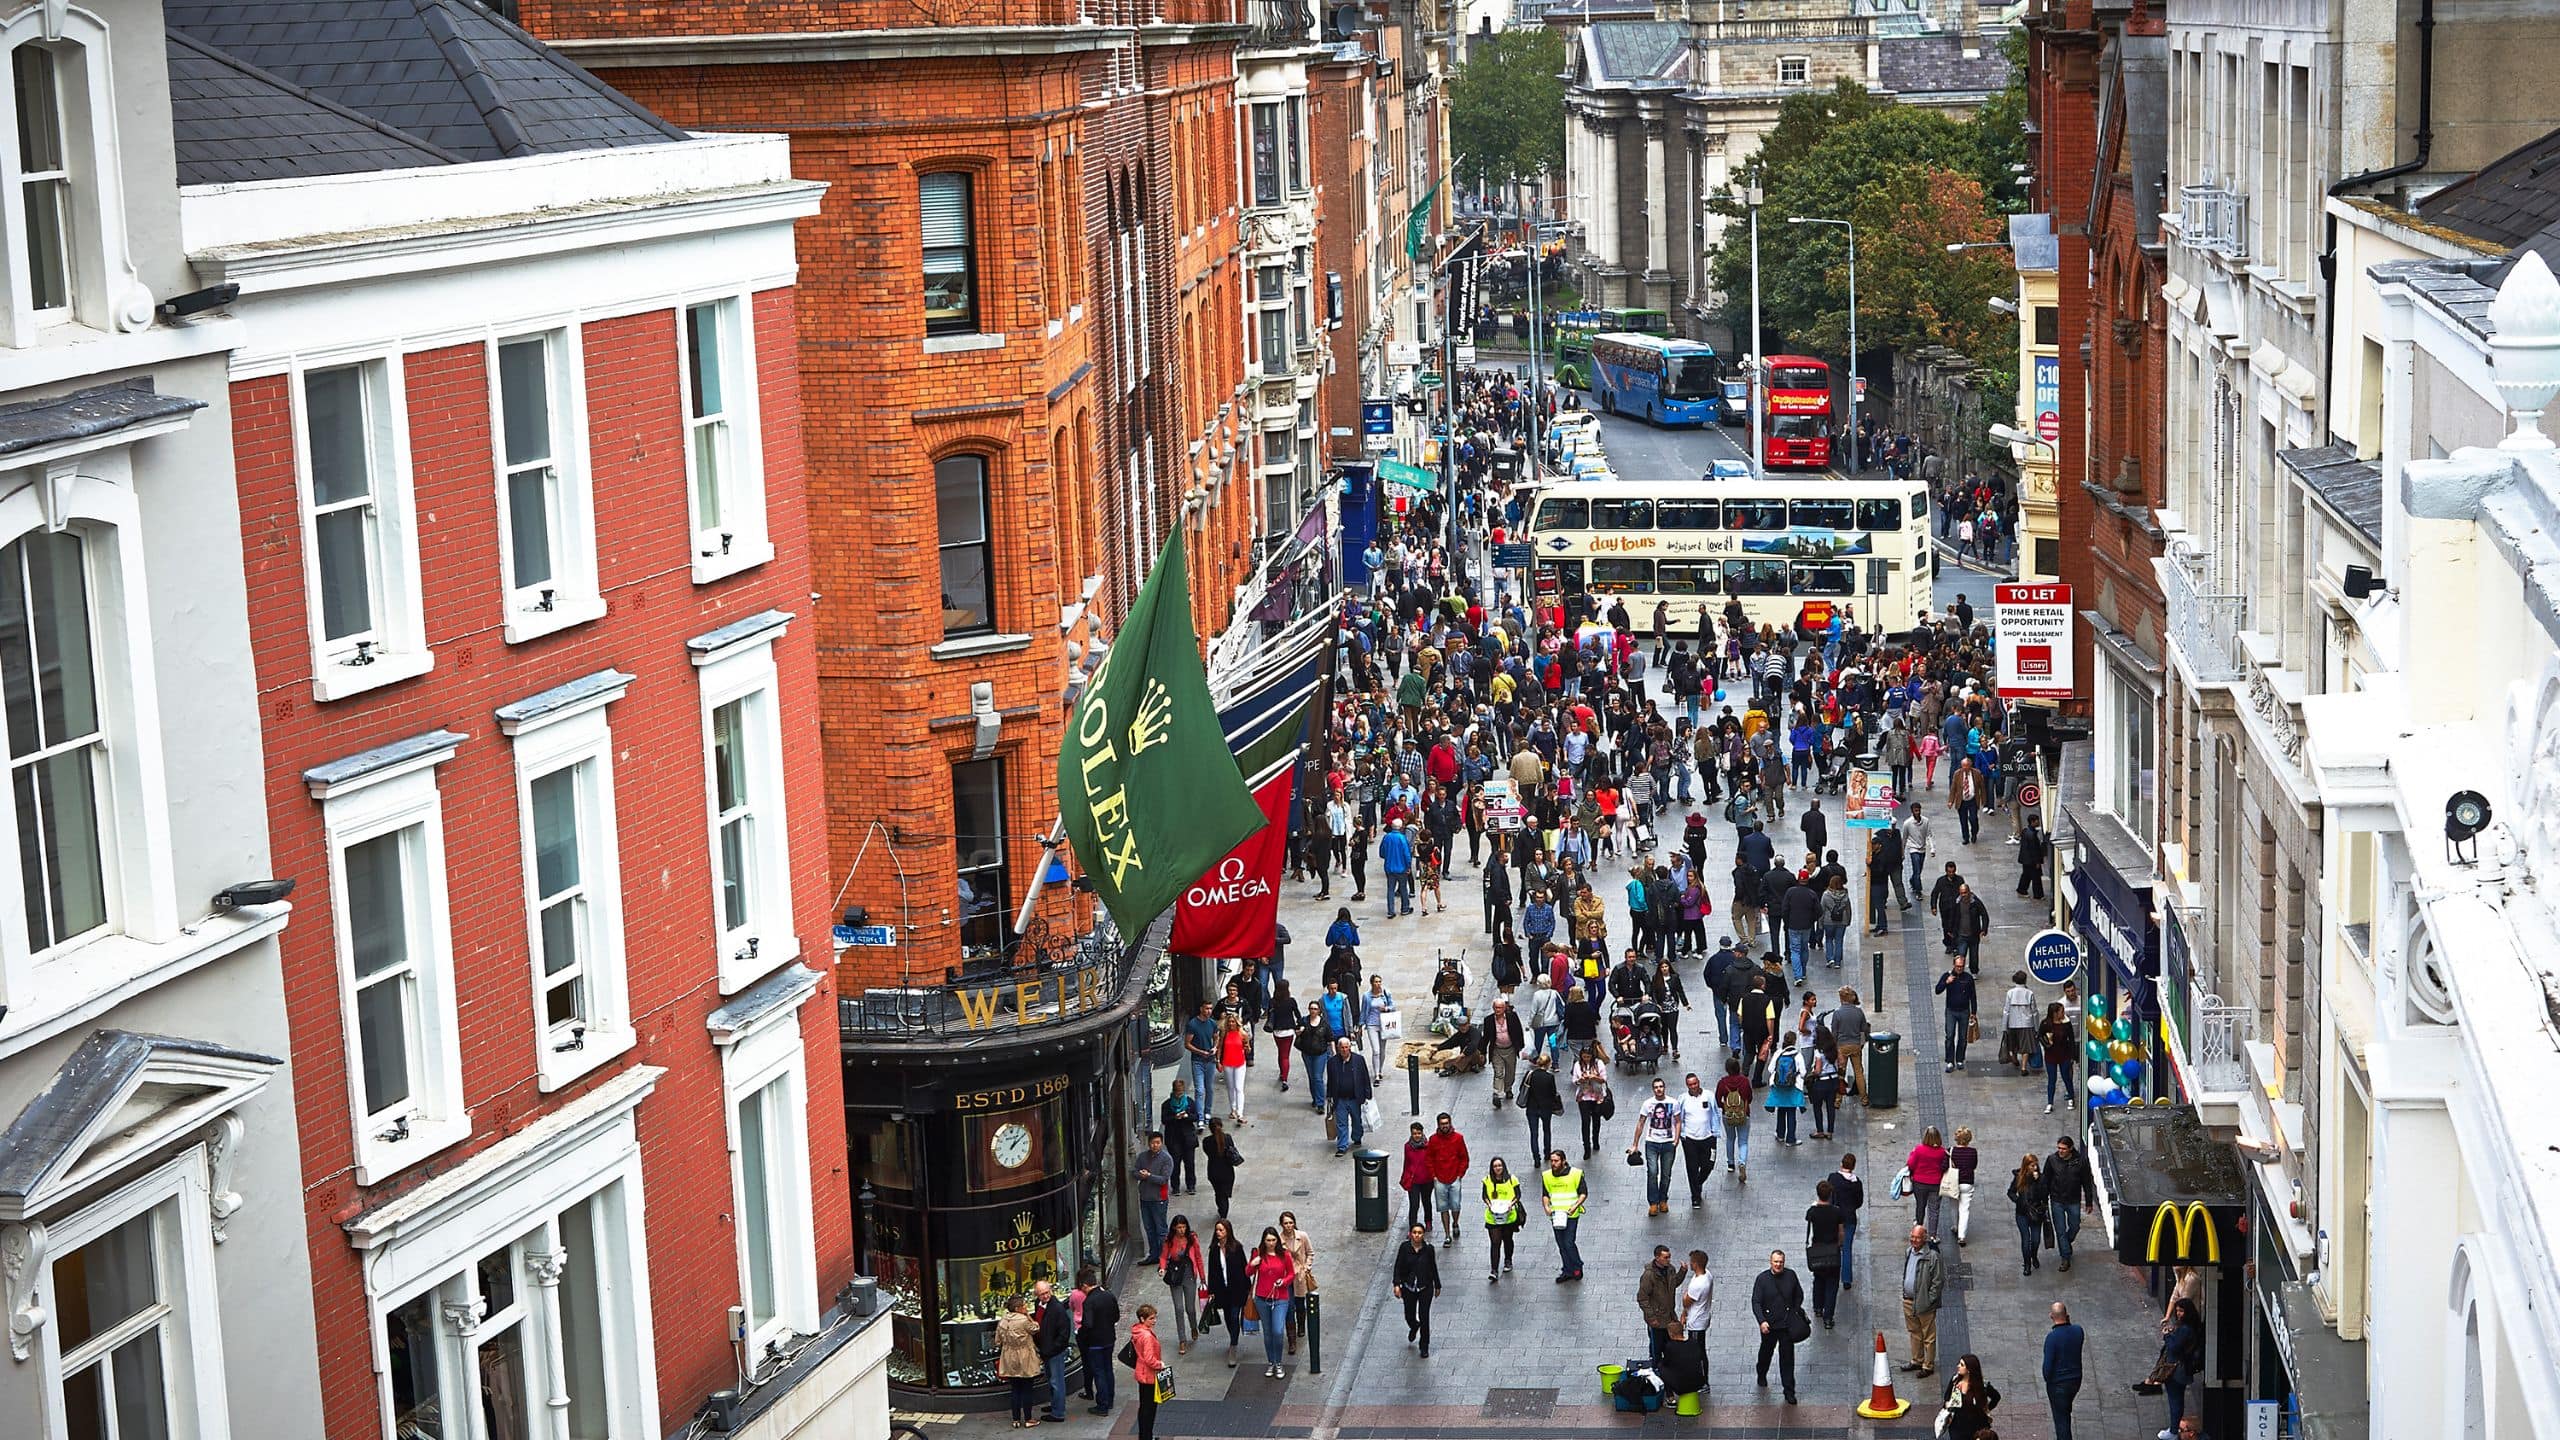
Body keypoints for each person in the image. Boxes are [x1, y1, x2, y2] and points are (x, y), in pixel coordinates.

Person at [1750, 1249, 1807, 1405]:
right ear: (1771, 1262)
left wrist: (1794, 1313)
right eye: (1775, 1261)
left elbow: (1799, 1295)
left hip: (1786, 1326)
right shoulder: (1762, 1279)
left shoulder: (1791, 1275)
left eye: (1781, 1262)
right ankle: (1761, 1373)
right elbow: (1756, 1302)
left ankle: (1789, 1391)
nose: (1778, 1264)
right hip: (1769, 1326)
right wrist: (1762, 1321)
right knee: (1766, 1352)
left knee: (1787, 1359)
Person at [1628, 1076, 1683, 1214]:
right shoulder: (1648, 1104)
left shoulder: (1673, 1102)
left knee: (1666, 1174)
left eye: (1661, 1086)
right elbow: (1641, 1123)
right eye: (1656, 1087)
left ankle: (1663, 1199)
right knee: (1652, 1172)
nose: (1659, 1089)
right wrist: (1635, 1144)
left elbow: (1677, 1121)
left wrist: (1676, 1140)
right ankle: (1653, 1202)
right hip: (1652, 1142)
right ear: (1653, 1089)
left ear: (1664, 1088)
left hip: (1668, 1143)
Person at [1248, 1228, 1298, 1378]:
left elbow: (1291, 1274)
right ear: (1264, 1241)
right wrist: (1252, 1263)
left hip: (1280, 1298)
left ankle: (1279, 1362)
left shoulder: (1285, 1255)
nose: (1271, 1243)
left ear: (1277, 1240)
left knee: (1277, 1330)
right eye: (1268, 1240)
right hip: (1262, 1298)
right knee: (1268, 1333)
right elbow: (1247, 1273)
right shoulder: (1259, 1255)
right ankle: (1272, 1362)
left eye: (1273, 1240)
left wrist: (1283, 1281)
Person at [2043, 1134, 2096, 1271]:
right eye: (2059, 1148)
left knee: (2075, 1226)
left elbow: (2086, 1182)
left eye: (2064, 1149)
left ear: (2070, 1149)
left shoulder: (2081, 1161)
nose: (2060, 1151)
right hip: (2057, 1200)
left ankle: (2066, 1243)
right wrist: (2043, 1199)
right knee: (2060, 1230)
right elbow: (2046, 1180)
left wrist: (2089, 1202)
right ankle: (2065, 1257)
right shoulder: (2052, 1160)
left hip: (2073, 1200)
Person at [2154, 1297, 2206, 1435]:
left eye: (2181, 1311)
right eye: (2177, 1311)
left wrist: (2167, 1336)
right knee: (2177, 1399)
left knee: (2174, 1400)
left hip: (2176, 1369)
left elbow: (2174, 1347)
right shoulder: (2190, 1327)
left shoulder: (2185, 1329)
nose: (2178, 1314)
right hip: (2183, 1368)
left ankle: (2173, 1430)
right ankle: (2174, 1427)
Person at [1202, 1221, 1250, 1367]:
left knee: (1235, 1316)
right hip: (1223, 1291)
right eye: (1217, 1230)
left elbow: (1244, 1267)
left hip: (1237, 1289)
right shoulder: (1214, 1250)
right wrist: (1211, 1291)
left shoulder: (1237, 1248)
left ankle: (1233, 1346)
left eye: (1221, 1230)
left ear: (1227, 1231)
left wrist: (1248, 1287)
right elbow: (1212, 1271)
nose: (1218, 1232)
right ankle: (1233, 1338)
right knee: (1229, 1317)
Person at [1900, 1224, 1946, 1379]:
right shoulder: (1909, 1252)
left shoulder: (1932, 1256)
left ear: (1924, 1238)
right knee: (1914, 1332)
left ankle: (1928, 1365)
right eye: (1912, 1236)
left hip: (1924, 1303)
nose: (1914, 1240)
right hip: (1908, 1300)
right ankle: (1917, 1360)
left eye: (1917, 1237)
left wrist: (1929, 1300)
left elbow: (1938, 1281)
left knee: (1928, 1335)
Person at [1395, 1222, 1444, 1356]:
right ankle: (1413, 1326)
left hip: (1425, 1287)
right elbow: (1398, 1266)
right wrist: (1397, 1284)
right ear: (1411, 1234)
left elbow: (1433, 1267)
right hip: (1409, 1287)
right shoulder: (1404, 1248)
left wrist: (1437, 1285)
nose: (1417, 1235)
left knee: (1424, 1316)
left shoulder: (1428, 1249)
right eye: (1414, 1232)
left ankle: (1424, 1346)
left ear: (1423, 1235)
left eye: (1419, 1233)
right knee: (1409, 1315)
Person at [1077, 1266, 1120, 1414]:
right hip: (1109, 1338)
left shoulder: (1089, 1302)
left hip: (1095, 1343)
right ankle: (1110, 1399)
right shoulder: (1109, 1295)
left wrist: (1081, 1334)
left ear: (1084, 1286)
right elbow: (1116, 1317)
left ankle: (1102, 1404)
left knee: (1099, 1372)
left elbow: (1087, 1324)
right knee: (1108, 1369)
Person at [1539, 1148, 1588, 1281]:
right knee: (1561, 1244)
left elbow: (1583, 1193)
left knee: (1568, 1242)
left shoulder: (1575, 1174)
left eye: (1556, 1161)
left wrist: (1575, 1206)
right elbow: (1545, 1194)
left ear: (1563, 1161)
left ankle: (1577, 1267)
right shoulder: (1547, 1176)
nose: (1553, 1163)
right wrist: (1546, 1207)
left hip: (1571, 1214)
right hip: (1556, 1215)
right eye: (1552, 1161)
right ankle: (1567, 1269)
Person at [1159, 1215, 1203, 1354]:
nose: (1181, 1230)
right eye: (1179, 1227)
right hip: (1175, 1276)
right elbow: (1164, 1256)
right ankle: (1182, 1339)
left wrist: (1202, 1277)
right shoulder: (1169, 1240)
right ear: (1174, 1227)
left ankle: (1193, 1326)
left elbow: (1198, 1257)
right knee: (1178, 1308)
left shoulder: (1192, 1238)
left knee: (1190, 1308)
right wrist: (1162, 1267)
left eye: (1183, 1227)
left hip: (1189, 1274)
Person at [1804, 1179, 1845, 1329]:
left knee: (1818, 1279)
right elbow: (1841, 1232)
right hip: (1832, 1251)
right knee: (1832, 1284)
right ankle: (1828, 1317)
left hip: (1817, 1251)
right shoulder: (1836, 1212)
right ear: (1830, 1195)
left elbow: (1808, 1222)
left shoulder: (1813, 1211)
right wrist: (1840, 1244)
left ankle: (1817, 1307)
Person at [1676, 1071, 1720, 1206]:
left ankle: (1698, 1182)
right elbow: (1678, 1118)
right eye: (1690, 1085)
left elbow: (1715, 1113)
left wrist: (1715, 1132)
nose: (1693, 1087)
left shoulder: (1709, 1096)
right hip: (1690, 1139)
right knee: (1692, 1167)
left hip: (1708, 1137)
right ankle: (1695, 1195)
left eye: (1695, 1083)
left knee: (1709, 1164)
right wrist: (1680, 1135)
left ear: (1699, 1082)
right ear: (1687, 1086)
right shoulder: (1682, 1099)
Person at [1032, 1279, 1073, 1421]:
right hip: (1046, 1349)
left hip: (1054, 1351)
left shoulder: (1057, 1308)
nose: (1045, 1296)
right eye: (1042, 1294)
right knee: (1051, 1380)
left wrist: (1054, 1348)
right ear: (1037, 1295)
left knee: (1057, 1382)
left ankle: (1058, 1412)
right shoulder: (1039, 1304)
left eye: (1047, 1292)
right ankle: (1055, 1404)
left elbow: (1064, 1332)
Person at [1325, 1036, 1374, 1155]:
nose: (1344, 1050)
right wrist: (1329, 1095)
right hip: (1340, 1098)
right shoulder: (1332, 1063)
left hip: (1355, 1098)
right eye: (1342, 1048)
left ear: (1350, 1048)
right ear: (1338, 1048)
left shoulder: (1359, 1060)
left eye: (1346, 1047)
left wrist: (1368, 1093)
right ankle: (1342, 1146)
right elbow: (1330, 1080)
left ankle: (1357, 1137)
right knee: (1341, 1123)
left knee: (1357, 1120)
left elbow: (1365, 1077)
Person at [1428, 1113, 1471, 1245]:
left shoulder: (1458, 1138)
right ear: (1438, 1125)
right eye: (1442, 1124)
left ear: (1450, 1123)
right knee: (1443, 1207)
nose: (1445, 1126)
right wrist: (1433, 1176)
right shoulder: (1433, 1140)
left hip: (1454, 1178)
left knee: (1456, 1205)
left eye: (1446, 1123)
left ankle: (1455, 1223)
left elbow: (1464, 1157)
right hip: (1439, 1179)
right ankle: (1447, 1234)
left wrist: (1460, 1174)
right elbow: (1429, 1159)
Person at [997, 1296, 1041, 1427]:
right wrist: (1028, 1316)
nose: (1026, 1307)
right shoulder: (1023, 1320)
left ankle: (1015, 1419)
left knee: (1015, 1389)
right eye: (1024, 1306)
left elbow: (998, 1341)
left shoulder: (1003, 1320)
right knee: (1027, 1389)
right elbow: (1035, 1328)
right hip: (1024, 1356)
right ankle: (1028, 1419)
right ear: (1017, 1308)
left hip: (1009, 1356)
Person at [2043, 1302, 2085, 1440]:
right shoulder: (2078, 1331)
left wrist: (2049, 1380)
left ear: (2051, 1316)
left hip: (2058, 1384)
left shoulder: (2051, 1338)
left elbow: (2047, 1368)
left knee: (2061, 1421)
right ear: (2067, 1315)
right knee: (2065, 1410)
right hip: (2075, 1381)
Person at [1937, 1353, 2002, 1440]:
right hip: (1957, 1426)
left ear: (1969, 1369)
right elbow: (1947, 1397)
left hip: (1976, 1427)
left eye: (1962, 1365)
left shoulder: (1982, 1386)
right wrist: (1948, 1406)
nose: (1958, 1366)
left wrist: (1986, 1409)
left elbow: (1996, 1397)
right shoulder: (1955, 1380)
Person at [1279, 1212, 1317, 1355]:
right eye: (1286, 1223)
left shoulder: (1302, 1236)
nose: (1288, 1226)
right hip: (1287, 1277)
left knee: (1300, 1304)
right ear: (1281, 1225)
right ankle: (1291, 1339)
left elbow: (1310, 1253)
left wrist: (1307, 1267)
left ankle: (1301, 1325)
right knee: (1289, 1307)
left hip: (1300, 1275)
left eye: (1290, 1222)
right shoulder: (1279, 1240)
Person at [1482, 1156, 1524, 1280]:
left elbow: (1518, 1194)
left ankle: (1508, 1260)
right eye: (1495, 1166)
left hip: (1508, 1216)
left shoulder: (1512, 1179)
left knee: (1507, 1239)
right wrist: (1489, 1205)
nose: (1497, 1168)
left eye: (1499, 1165)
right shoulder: (1487, 1180)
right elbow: (1484, 1195)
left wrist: (1511, 1204)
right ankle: (1494, 1270)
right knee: (1495, 1242)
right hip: (1493, 1216)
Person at [1133, 1132, 1175, 1258]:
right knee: (1149, 1228)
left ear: (1161, 1143)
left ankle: (1165, 1255)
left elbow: (1164, 1179)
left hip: (1159, 1199)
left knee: (1161, 1229)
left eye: (1157, 1143)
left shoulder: (1166, 1159)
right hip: (1145, 1198)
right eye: (1152, 1143)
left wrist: (1149, 1176)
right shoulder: (1142, 1157)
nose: (1155, 1145)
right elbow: (1134, 1172)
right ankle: (1154, 1254)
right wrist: (1141, 1174)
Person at [1935, 956, 1979, 1072]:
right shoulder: (1947, 976)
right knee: (1949, 1035)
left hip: (1964, 1011)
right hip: (1951, 1011)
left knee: (1962, 1037)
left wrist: (1974, 1012)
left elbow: (1973, 996)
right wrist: (1946, 982)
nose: (1959, 968)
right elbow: (1937, 990)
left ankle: (1960, 1059)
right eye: (1958, 966)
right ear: (1953, 965)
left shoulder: (1968, 978)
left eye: (1961, 966)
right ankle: (1950, 1060)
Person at [1638, 1245, 1682, 1362]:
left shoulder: (1670, 1269)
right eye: (1665, 1257)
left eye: (1669, 1257)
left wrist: (1682, 1272)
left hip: (1669, 1317)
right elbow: (1642, 1298)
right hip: (1657, 1319)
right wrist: (1651, 1317)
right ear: (1657, 1258)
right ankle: (1656, 1368)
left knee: (1670, 1347)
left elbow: (1673, 1284)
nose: (1668, 1260)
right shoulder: (1649, 1275)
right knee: (1656, 1348)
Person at [2006, 1154, 2048, 1276]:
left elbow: (2044, 1195)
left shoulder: (2041, 1178)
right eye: (2032, 1165)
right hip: (2022, 1213)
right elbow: (2010, 1192)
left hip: (2036, 1212)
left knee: (2035, 1240)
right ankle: (2027, 1264)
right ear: (2026, 1166)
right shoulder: (2019, 1177)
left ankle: (2033, 1255)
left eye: (2036, 1165)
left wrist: (2038, 1181)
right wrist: (2018, 1201)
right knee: (2026, 1239)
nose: (2035, 1167)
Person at [1715, 1056, 1754, 1184]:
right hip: (1743, 1114)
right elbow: (1750, 1096)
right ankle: (1742, 1162)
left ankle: (1730, 1163)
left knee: (1730, 1138)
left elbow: (1717, 1098)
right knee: (1743, 1141)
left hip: (1728, 1115)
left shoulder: (1722, 1082)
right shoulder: (1744, 1081)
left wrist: (1724, 1107)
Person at [1832, 1153, 1867, 1290]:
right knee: (1847, 1248)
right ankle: (1846, 1279)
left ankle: (1833, 1271)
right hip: (1850, 1218)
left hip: (1835, 1217)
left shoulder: (1834, 1178)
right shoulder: (1857, 1183)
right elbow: (1859, 1202)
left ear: (1842, 1163)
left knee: (1834, 1245)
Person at [1130, 1305, 1166, 1440]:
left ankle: (1144, 1436)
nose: (1154, 1321)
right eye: (1151, 1318)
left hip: (1141, 1373)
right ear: (1142, 1318)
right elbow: (1150, 1359)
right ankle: (1147, 1436)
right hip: (1149, 1375)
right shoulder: (1147, 1336)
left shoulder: (1138, 1331)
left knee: (1144, 1407)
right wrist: (1160, 1365)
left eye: (1154, 1318)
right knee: (1150, 1409)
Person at [1906, 1125, 1950, 1235]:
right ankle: (1932, 1236)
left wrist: (1912, 1153)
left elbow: (1910, 1165)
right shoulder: (1942, 1152)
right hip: (1936, 1184)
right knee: (1934, 1210)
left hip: (1919, 1183)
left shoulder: (1919, 1149)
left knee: (1920, 1206)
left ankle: (1919, 1231)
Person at [1160, 1078, 1201, 1195]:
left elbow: (1195, 1117)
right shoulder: (1167, 1105)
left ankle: (1191, 1185)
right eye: (1177, 1093)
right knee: (1175, 1164)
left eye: (1181, 1093)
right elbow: (1164, 1120)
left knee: (1190, 1163)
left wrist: (1186, 1116)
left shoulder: (1189, 1102)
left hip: (1188, 1138)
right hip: (1174, 1138)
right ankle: (1175, 1186)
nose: (1179, 1095)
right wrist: (1175, 1118)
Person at [1765, 1032, 1807, 1146]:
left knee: (1781, 1110)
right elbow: (1803, 1072)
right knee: (1791, 1112)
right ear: (1794, 1041)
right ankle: (1790, 1139)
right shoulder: (1797, 1055)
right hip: (1793, 1087)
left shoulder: (1778, 1053)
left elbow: (1770, 1069)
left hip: (1779, 1087)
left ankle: (1780, 1134)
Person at [2038, 1001, 2078, 1113]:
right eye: (2061, 1011)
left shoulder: (2066, 1023)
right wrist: (2046, 1044)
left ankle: (2071, 1097)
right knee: (2052, 1079)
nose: (2063, 1013)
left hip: (2064, 1054)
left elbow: (2071, 1039)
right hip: (2051, 1055)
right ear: (2055, 1013)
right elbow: (2040, 1035)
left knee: (2066, 1077)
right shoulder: (2046, 1023)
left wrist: (2072, 1055)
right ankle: (2050, 1102)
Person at [1571, 1041, 1610, 1153]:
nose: (1586, 1059)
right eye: (1584, 1057)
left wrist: (1594, 1077)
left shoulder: (1599, 1063)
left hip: (1597, 1097)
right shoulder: (1578, 1065)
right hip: (1583, 1097)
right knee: (1585, 1121)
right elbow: (1574, 1080)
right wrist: (1580, 1080)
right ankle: (1586, 1146)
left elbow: (1604, 1079)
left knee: (1596, 1120)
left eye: (1588, 1057)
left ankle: (1595, 1140)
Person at [1485, 996, 1525, 1105]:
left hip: (1510, 1049)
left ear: (1504, 1008)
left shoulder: (1512, 1017)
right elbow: (1486, 1037)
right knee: (1498, 1073)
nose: (1498, 1010)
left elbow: (1519, 1031)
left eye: (1500, 1008)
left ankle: (1508, 1089)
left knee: (1510, 1072)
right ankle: (1497, 1093)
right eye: (1496, 1007)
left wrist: (1521, 1046)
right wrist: (1482, 1051)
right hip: (1497, 1050)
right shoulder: (1488, 1020)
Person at [1834, 987, 1871, 1101]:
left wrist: (1835, 1048)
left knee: (1841, 1073)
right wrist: (1861, 1045)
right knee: (1858, 1072)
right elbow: (1864, 1030)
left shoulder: (1837, 1013)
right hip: (1855, 1045)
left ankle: (1838, 1099)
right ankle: (1864, 1098)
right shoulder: (1859, 1012)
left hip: (1842, 1046)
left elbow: (1834, 1033)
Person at [1265, 979, 1302, 1092]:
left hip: (1277, 1031)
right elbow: (1297, 1015)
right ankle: (1285, 1078)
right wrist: (1299, 1026)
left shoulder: (1272, 1001)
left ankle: (1282, 1073)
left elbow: (1269, 1014)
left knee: (1281, 1053)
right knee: (1286, 1055)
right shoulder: (1291, 1001)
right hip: (1289, 1031)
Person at [1399, 1122, 1435, 1233]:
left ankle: (1428, 1222)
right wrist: (1405, 1177)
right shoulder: (1408, 1146)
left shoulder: (1428, 1146)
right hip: (1413, 1180)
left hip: (1427, 1179)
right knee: (1414, 1204)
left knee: (1426, 1201)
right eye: (1414, 1133)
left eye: (1419, 1133)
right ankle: (1412, 1227)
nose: (1417, 1136)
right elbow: (1407, 1162)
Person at [1184, 1002, 1220, 1111]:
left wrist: (1214, 1048)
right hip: (1197, 1061)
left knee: (1209, 1088)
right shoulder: (1193, 1024)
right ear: (1201, 1009)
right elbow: (1187, 1044)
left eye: (1210, 1008)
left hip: (1210, 1061)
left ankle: (1207, 1111)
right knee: (1199, 1090)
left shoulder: (1213, 1023)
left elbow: (1216, 1037)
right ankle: (1200, 1116)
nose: (1209, 1011)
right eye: (1206, 1008)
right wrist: (1200, 1052)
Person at [2000, 972, 2038, 1076]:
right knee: (2026, 1046)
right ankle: (2024, 1067)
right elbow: (2034, 1011)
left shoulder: (2010, 993)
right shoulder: (2029, 993)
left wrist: (2004, 1026)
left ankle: (2014, 1058)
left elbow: (2006, 1010)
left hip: (2012, 1022)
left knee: (2013, 1043)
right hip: (2027, 1023)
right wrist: (2036, 1027)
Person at [1203, 1116, 1241, 1219]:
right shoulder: (1227, 1138)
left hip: (1213, 1171)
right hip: (1227, 1171)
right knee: (1224, 1195)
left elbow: (1207, 1152)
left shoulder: (1206, 1141)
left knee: (1218, 1193)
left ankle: (1222, 1211)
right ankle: (1224, 1214)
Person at [1949, 1126, 1981, 1246]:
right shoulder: (1973, 1152)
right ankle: (1962, 1236)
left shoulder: (1951, 1150)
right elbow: (1974, 1166)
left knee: (1953, 1206)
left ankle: (1955, 1226)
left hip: (1954, 1183)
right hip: (1967, 1183)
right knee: (1965, 1209)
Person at [1219, 1013, 1252, 1120]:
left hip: (1240, 1063)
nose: (1231, 1023)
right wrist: (1218, 1061)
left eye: (1233, 1021)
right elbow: (1220, 1047)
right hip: (1227, 1062)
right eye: (1229, 1021)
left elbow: (1248, 1049)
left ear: (1237, 1022)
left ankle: (1240, 1112)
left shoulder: (1243, 1034)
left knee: (1238, 1087)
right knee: (1230, 1087)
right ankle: (1233, 1109)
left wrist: (1247, 1048)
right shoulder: (1224, 1033)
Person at [1381, 817, 1415, 916]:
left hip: (1389, 867)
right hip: (1401, 868)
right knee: (1403, 888)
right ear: (1400, 827)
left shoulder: (1387, 837)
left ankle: (1391, 911)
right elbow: (1406, 854)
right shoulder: (1402, 838)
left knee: (1390, 889)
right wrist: (1408, 866)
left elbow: (1382, 852)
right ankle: (1405, 908)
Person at [2017, 810, 2050, 898]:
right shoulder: (2032, 835)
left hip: (2025, 859)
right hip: (2031, 860)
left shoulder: (2025, 831)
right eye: (2037, 821)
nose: (2038, 822)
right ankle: (2038, 895)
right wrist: (2037, 862)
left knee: (2026, 875)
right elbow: (2034, 850)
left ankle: (2022, 890)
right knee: (2036, 877)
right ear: (2032, 822)